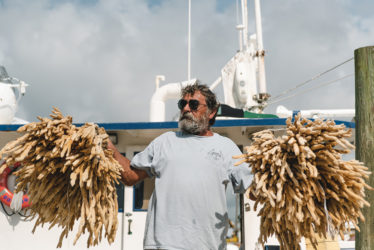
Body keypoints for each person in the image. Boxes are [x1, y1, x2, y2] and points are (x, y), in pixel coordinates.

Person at [108, 82, 253, 250]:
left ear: (212, 112)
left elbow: (253, 190)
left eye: (193, 104)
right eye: (182, 104)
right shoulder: (164, 142)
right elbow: (130, 176)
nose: (185, 108)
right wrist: (110, 149)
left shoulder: (226, 147)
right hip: (162, 246)